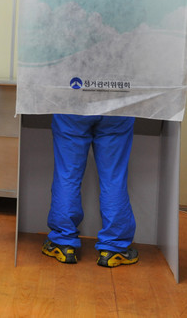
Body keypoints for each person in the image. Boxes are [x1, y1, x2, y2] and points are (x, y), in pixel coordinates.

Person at [41, 114, 139, 267]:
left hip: (71, 105)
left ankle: (63, 244)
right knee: (114, 178)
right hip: (118, 103)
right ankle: (114, 249)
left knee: (67, 175)